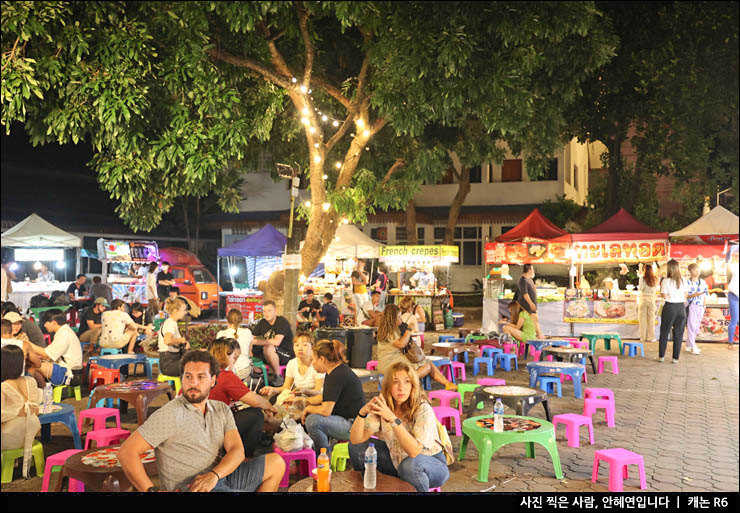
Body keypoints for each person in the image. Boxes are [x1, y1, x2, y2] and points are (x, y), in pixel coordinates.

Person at [118, 349, 285, 492]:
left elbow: (237, 450)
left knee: (276, 463)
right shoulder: (171, 413)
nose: (193, 383)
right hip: (192, 487)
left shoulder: (221, 409)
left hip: (220, 477)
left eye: (201, 377)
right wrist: (150, 490)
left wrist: (214, 475)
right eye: (188, 376)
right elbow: (127, 452)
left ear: (213, 381)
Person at [349, 360, 450, 492]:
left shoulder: (423, 409)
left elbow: (414, 451)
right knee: (357, 448)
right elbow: (356, 440)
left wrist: (392, 419)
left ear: (413, 385)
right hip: (397, 460)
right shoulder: (384, 405)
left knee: (409, 466)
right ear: (388, 386)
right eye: (395, 382)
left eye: (406, 381)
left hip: (431, 464)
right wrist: (362, 413)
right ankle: (368, 489)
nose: (401, 388)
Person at [208, 339, 277, 457]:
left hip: (202, 422)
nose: (235, 362)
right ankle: (244, 455)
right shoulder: (225, 376)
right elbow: (254, 400)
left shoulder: (205, 371)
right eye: (234, 358)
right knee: (256, 415)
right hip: (214, 426)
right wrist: (269, 406)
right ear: (224, 357)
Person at [302, 339, 364, 455]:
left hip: (354, 425)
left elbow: (326, 410)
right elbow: (325, 398)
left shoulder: (336, 375)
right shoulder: (335, 371)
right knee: (313, 415)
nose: (312, 363)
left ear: (321, 359)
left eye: (313, 359)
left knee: (313, 421)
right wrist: (303, 401)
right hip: (349, 420)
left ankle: (324, 457)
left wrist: (308, 408)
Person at [376, 304, 456, 391]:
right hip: (391, 364)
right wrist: (408, 329)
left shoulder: (388, 329)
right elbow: (401, 343)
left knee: (427, 363)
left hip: (394, 360)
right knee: (427, 366)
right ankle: (407, 382)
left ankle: (447, 383)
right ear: (392, 318)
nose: (401, 319)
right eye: (399, 317)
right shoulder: (389, 331)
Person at [1, 345, 43, 479]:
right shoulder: (30, 381)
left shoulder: (3, 386)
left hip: (10, 439)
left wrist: (15, 413)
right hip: (31, 433)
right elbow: (36, 406)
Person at [260, 332, 325, 406]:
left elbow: (319, 391)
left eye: (305, 345)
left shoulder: (317, 364)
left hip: (314, 399)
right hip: (298, 396)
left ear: (312, 347)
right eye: (296, 345)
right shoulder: (292, 363)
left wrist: (304, 391)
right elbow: (286, 387)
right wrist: (273, 389)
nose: (300, 348)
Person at [27, 309, 83, 386]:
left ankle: (41, 391)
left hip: (69, 373)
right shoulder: (64, 331)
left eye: (46, 322)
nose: (44, 325)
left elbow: (46, 355)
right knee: (35, 363)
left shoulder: (63, 334)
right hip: (69, 369)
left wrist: (27, 344)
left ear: (54, 322)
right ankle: (42, 390)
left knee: (34, 365)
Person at [250, 300, 294, 388]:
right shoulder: (262, 322)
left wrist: (256, 342)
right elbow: (251, 338)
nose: (266, 313)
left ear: (275, 311)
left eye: (269, 310)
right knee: (255, 349)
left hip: (285, 354)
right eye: (264, 311)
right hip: (269, 355)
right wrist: (250, 349)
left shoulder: (282, 322)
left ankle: (278, 376)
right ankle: (259, 373)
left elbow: (277, 342)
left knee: (268, 347)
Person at [657, 259, 688, 363]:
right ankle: (675, 358)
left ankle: (661, 356)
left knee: (664, 332)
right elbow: (685, 295)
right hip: (681, 308)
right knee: (679, 333)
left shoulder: (666, 280)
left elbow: (664, 295)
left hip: (670, 307)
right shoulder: (684, 280)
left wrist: (669, 296)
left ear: (668, 268)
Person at [216, 308, 254, 380]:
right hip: (244, 369)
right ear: (241, 320)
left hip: (226, 371)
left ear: (227, 320)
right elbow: (250, 353)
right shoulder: (248, 332)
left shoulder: (221, 334)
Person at [158, 298, 190, 376]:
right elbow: (167, 341)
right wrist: (181, 340)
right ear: (176, 311)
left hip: (172, 360)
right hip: (169, 364)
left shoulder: (172, 323)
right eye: (184, 310)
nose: (185, 312)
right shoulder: (170, 323)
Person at [685, 263, 708, 355]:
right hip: (691, 305)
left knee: (697, 326)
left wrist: (704, 305)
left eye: (698, 269)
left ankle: (688, 345)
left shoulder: (702, 282)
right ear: (690, 271)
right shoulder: (687, 282)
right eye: (695, 270)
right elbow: (685, 296)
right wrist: (693, 295)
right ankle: (693, 346)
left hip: (701, 306)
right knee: (691, 326)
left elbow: (705, 294)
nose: (697, 272)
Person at [517, 264, 544, 339]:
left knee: (535, 321)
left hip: (532, 305)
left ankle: (539, 335)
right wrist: (530, 303)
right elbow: (525, 294)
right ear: (529, 270)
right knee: (535, 321)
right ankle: (539, 336)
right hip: (527, 306)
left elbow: (532, 290)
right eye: (532, 269)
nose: (533, 271)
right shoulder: (523, 280)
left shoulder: (530, 279)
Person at [637, 263, 659, 343]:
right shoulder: (655, 278)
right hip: (652, 299)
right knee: (651, 319)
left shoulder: (642, 278)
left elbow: (641, 288)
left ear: (644, 270)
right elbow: (656, 289)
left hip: (643, 298)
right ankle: (651, 337)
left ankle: (643, 337)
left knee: (642, 319)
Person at [727, 256, 739, 349]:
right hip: (734, 295)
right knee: (734, 319)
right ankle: (730, 343)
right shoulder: (735, 266)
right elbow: (728, 262)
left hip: (734, 294)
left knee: (735, 319)